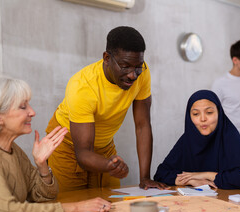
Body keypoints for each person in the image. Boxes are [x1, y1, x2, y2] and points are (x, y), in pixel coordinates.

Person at [46, 26, 167, 192]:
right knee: (73, 206)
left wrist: (145, 177)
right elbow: (83, 154)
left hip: (104, 145)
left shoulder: (142, 73)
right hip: (66, 144)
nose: (133, 75)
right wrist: (108, 165)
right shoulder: (82, 86)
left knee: (110, 205)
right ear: (107, 58)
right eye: (125, 66)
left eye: (138, 66)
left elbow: (143, 125)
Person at [0, 77, 114, 212]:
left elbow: (42, 196)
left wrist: (42, 165)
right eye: (23, 107)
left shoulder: (14, 151)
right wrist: (76, 208)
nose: (32, 112)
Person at [154, 90, 240, 190]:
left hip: (227, 203)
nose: (203, 119)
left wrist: (205, 175)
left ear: (219, 113)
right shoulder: (187, 138)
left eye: (209, 112)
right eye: (195, 114)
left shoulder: (230, 136)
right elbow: (161, 174)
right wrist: (191, 180)